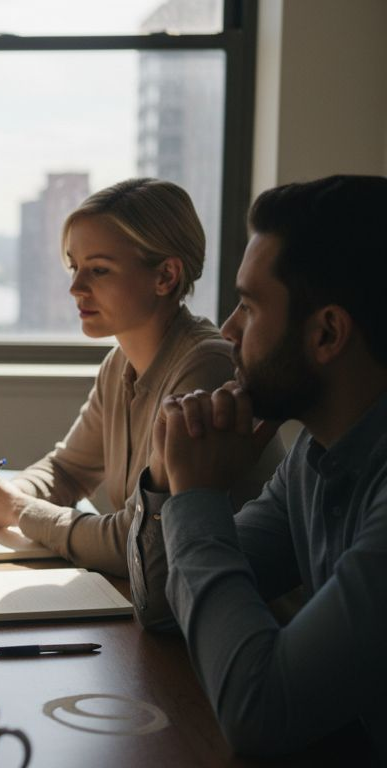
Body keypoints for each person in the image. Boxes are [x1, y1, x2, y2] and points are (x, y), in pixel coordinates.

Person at [134, 175, 387, 759]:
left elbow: (260, 711)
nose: (228, 330)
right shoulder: (313, 454)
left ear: (326, 333)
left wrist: (196, 497)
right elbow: (161, 608)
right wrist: (164, 483)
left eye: (248, 305)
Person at [0, 179, 282, 612]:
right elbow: (69, 469)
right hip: (159, 610)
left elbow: (136, 540)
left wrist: (17, 509)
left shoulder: (208, 367)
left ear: (165, 276)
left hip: (236, 620)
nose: (75, 287)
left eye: (99, 269)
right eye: (74, 267)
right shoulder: (118, 364)